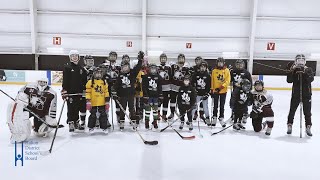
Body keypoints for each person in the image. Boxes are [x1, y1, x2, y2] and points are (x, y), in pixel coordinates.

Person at [7, 78, 57, 142]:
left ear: (47, 83)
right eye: (40, 81)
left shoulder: (52, 93)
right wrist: (21, 101)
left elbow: (53, 107)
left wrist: (51, 119)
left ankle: (36, 127)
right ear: (37, 81)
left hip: (41, 113)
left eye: (44, 82)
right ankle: (20, 132)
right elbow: (20, 94)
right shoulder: (28, 87)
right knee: (21, 116)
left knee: (40, 132)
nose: (42, 84)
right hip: (28, 109)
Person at [112, 51, 144, 130]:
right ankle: (122, 121)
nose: (125, 68)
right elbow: (116, 85)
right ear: (121, 68)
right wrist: (114, 92)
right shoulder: (120, 75)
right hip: (122, 95)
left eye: (126, 66)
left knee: (132, 109)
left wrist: (140, 60)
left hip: (131, 95)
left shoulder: (132, 74)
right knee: (122, 109)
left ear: (129, 67)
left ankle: (133, 121)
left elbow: (138, 68)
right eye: (123, 67)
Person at [286, 54, 314, 136]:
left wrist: (305, 73)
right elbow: (289, 80)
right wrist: (291, 71)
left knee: (307, 112)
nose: (300, 62)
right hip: (296, 95)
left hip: (307, 95)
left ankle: (308, 127)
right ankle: (289, 125)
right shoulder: (294, 70)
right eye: (299, 60)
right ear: (296, 61)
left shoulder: (309, 69)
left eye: (302, 60)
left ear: (305, 61)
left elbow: (311, 79)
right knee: (292, 111)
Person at [61, 50, 87, 132]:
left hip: (80, 92)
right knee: (71, 108)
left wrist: (84, 90)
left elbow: (84, 81)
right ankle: (71, 122)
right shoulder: (67, 67)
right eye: (72, 56)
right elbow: (65, 81)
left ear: (79, 58)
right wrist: (65, 91)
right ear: (70, 58)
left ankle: (76, 122)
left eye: (76, 56)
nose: (74, 57)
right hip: (71, 93)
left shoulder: (82, 68)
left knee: (78, 107)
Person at [85, 67, 111, 134]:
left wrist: (107, 102)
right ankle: (91, 127)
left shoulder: (104, 82)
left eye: (100, 74)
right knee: (92, 115)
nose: (98, 75)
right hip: (93, 103)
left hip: (102, 102)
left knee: (103, 115)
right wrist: (88, 101)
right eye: (97, 73)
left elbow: (106, 92)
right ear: (94, 74)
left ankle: (104, 127)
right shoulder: (90, 82)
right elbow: (88, 92)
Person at [230, 59, 252, 125]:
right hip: (235, 91)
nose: (239, 65)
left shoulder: (246, 72)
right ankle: (234, 116)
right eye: (238, 64)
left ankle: (242, 118)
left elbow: (250, 82)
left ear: (243, 65)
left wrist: (249, 91)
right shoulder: (233, 72)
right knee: (235, 105)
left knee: (242, 105)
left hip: (244, 92)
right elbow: (229, 80)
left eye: (241, 64)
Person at [210, 57, 230, 127]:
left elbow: (227, 81)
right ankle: (214, 117)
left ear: (223, 63)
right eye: (219, 62)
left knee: (222, 105)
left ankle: (221, 118)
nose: (220, 64)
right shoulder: (214, 71)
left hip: (223, 91)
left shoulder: (227, 70)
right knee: (215, 106)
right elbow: (212, 81)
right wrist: (212, 90)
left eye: (221, 62)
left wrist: (221, 87)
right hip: (215, 91)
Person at [142, 64, 163, 129]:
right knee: (147, 110)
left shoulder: (158, 77)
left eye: (154, 69)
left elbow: (160, 87)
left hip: (156, 97)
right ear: (149, 69)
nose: (153, 70)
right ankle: (147, 122)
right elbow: (144, 86)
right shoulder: (145, 77)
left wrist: (160, 95)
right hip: (148, 96)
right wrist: (145, 95)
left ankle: (155, 121)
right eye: (152, 69)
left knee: (155, 110)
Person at [170, 53, 190, 119]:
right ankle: (172, 113)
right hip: (174, 87)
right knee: (172, 101)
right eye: (180, 58)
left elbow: (188, 78)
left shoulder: (187, 68)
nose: (181, 59)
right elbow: (171, 76)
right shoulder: (174, 66)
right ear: (178, 59)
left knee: (181, 101)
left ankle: (181, 114)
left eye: (182, 58)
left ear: (184, 59)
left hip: (182, 88)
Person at [192, 60, 211, 126]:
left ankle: (208, 119)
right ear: (199, 67)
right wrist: (194, 91)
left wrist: (207, 93)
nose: (202, 68)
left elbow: (209, 85)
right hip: (197, 94)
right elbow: (192, 84)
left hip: (204, 95)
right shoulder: (195, 74)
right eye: (201, 67)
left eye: (204, 67)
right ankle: (190, 119)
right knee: (194, 107)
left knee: (205, 107)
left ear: (206, 68)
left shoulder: (208, 76)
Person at [157, 53, 172, 121]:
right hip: (159, 88)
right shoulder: (157, 67)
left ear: (166, 59)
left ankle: (164, 115)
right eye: (162, 58)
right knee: (159, 102)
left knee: (166, 102)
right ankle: (158, 114)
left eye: (164, 58)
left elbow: (171, 77)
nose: (163, 59)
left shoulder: (169, 68)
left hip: (167, 88)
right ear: (160, 59)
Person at [191, 56, 205, 121]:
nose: (198, 62)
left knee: (202, 102)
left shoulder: (204, 68)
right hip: (195, 87)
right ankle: (195, 113)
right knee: (195, 101)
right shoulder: (193, 68)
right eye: (196, 61)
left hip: (202, 87)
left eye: (199, 60)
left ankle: (201, 114)